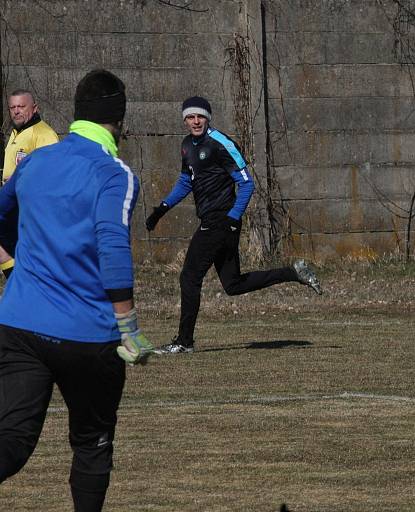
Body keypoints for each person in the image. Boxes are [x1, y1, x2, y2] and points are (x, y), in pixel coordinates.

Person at [0, 70, 152, 511]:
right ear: (119, 121)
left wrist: (17, 260)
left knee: (10, 439)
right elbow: (112, 245)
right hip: (89, 335)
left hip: (19, 325)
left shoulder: (36, 162)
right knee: (92, 443)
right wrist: (128, 326)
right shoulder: (115, 174)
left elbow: (2, 214)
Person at [145, 96, 322, 354]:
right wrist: (162, 209)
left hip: (221, 220)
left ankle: (184, 342)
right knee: (233, 284)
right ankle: (293, 273)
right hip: (214, 221)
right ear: (184, 120)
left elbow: (247, 182)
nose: (196, 121)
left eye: (200, 116)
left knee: (190, 276)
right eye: (191, 117)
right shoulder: (187, 145)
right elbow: (186, 181)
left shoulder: (220, 143)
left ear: (208, 118)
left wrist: (233, 216)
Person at [0, 89, 59, 278]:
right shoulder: (16, 133)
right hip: (13, 204)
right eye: (12, 107)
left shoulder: (44, 135)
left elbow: (52, 175)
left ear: (34, 108)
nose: (16, 111)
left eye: (21, 106)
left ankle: (21, 285)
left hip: (30, 207)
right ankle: (19, 284)